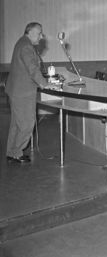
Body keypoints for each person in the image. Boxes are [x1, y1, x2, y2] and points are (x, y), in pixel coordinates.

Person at [6, 22, 57, 163]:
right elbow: (32, 69)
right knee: (27, 123)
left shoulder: (23, 43)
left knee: (17, 124)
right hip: (22, 92)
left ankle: (12, 152)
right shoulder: (26, 46)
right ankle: (16, 152)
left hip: (17, 90)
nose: (41, 37)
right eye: (39, 33)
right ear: (30, 32)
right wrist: (45, 85)